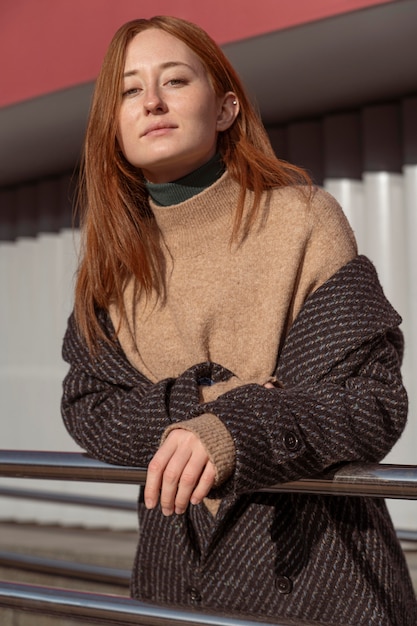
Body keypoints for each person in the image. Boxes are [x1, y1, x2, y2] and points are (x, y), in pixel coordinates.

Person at [61, 15, 417, 625]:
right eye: (128, 90)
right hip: (176, 583)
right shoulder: (114, 261)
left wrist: (233, 431)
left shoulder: (301, 219)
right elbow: (87, 405)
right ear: (112, 125)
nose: (150, 101)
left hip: (322, 582)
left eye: (174, 80)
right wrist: (198, 406)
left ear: (225, 108)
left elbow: (371, 401)